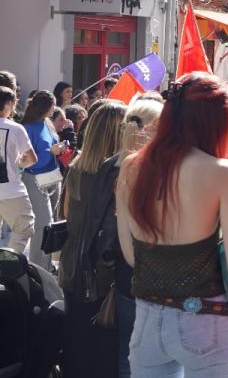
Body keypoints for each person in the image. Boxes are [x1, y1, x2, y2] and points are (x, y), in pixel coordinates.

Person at [115, 73, 228, 376]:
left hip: (149, 317)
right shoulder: (224, 173)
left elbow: (130, 256)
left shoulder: (131, 167)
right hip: (205, 319)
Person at [59, 99, 126, 378]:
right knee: (106, 348)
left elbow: (64, 213)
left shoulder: (76, 166)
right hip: (105, 270)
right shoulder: (117, 173)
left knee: (76, 342)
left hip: (73, 263)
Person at [115, 97, 163, 378]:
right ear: (151, 129)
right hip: (151, 276)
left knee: (128, 354)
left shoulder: (113, 165)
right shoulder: (148, 171)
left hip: (124, 275)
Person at [20, 89, 64, 268]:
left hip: (53, 177)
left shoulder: (47, 123)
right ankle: (38, 267)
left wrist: (59, 148)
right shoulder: (27, 128)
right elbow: (26, 161)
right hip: (35, 179)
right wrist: (50, 152)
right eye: (53, 105)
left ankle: (45, 263)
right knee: (43, 225)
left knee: (51, 223)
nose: (55, 109)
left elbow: (51, 145)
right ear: (46, 106)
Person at [0, 86, 37, 257]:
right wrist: (21, 163)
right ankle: (8, 268)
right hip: (11, 189)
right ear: (8, 104)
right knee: (24, 228)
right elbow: (31, 159)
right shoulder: (15, 128)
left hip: (8, 188)